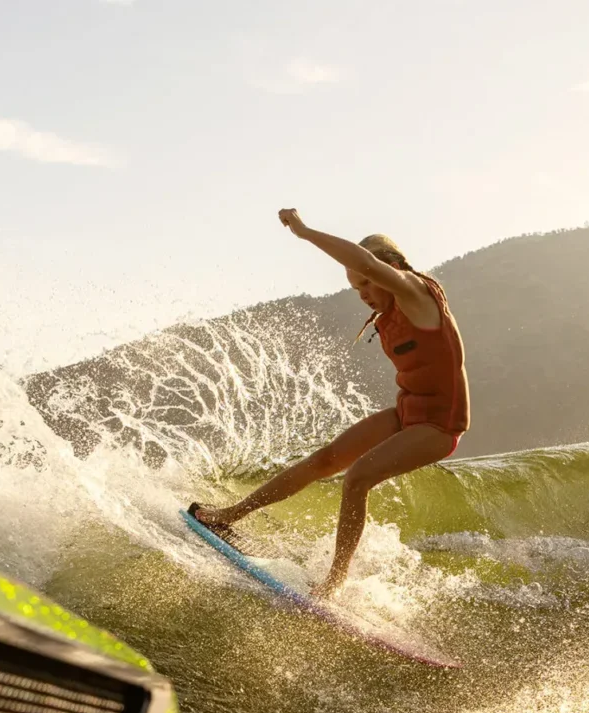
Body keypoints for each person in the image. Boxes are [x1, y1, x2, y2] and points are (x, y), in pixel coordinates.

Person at [190, 208, 470, 596]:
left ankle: (333, 584)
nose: (365, 296)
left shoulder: (416, 294)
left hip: (439, 426)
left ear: (388, 269)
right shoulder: (389, 310)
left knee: (356, 480)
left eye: (367, 285)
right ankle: (228, 516)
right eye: (358, 290)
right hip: (408, 413)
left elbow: (364, 261)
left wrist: (304, 232)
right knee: (325, 460)